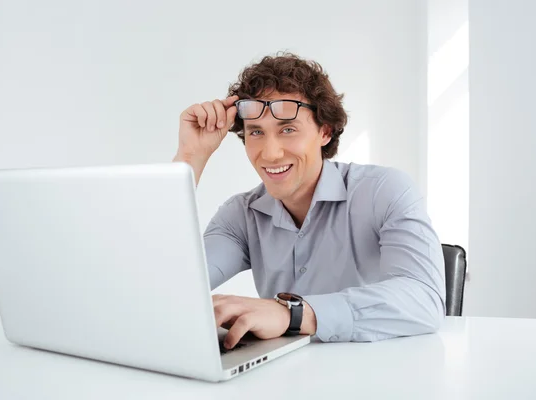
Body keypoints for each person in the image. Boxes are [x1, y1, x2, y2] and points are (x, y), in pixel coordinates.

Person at [173, 52, 446, 350]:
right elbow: (170, 285)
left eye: (288, 129)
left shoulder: (385, 191)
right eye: (256, 132)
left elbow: (424, 299)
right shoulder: (240, 215)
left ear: (325, 132)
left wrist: (292, 314)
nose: (271, 153)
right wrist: (190, 158)